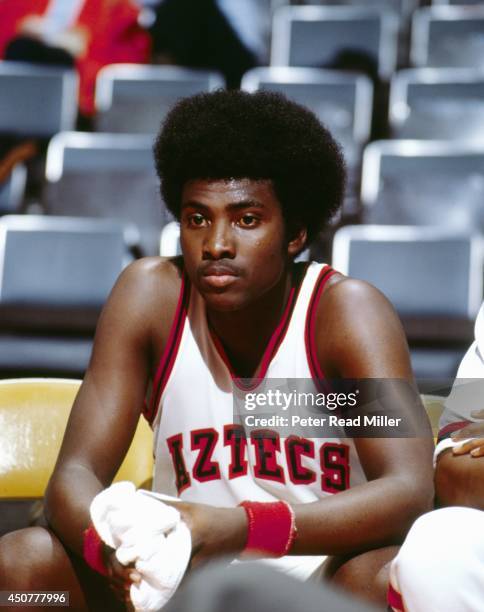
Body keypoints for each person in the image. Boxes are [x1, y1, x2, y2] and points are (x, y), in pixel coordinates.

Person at [0, 90, 434, 610]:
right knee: (25, 567)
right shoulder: (151, 297)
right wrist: (105, 550)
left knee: (380, 574)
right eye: (197, 218)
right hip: (177, 571)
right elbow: (73, 474)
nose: (216, 244)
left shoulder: (346, 314)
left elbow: (408, 487)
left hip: (311, 573)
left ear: (295, 233)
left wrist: (244, 528)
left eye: (247, 220)